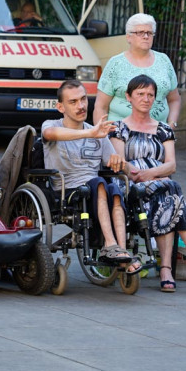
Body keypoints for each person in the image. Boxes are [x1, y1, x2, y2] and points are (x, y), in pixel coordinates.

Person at [110, 74, 186, 292]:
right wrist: (142, 174)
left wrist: (151, 173)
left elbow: (171, 165)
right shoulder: (119, 127)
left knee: (167, 197)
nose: (146, 98)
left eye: (150, 94)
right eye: (140, 94)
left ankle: (168, 269)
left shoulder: (163, 129)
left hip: (157, 184)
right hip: (131, 185)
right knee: (172, 189)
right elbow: (121, 163)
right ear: (128, 97)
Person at [41, 79, 140, 273]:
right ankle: (109, 245)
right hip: (66, 191)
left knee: (114, 188)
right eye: (73, 102)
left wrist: (121, 163)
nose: (81, 105)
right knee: (100, 183)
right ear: (60, 106)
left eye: (84, 99)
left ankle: (121, 251)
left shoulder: (97, 133)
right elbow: (51, 134)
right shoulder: (53, 124)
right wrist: (90, 133)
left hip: (95, 188)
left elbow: (127, 169)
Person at [94, 13, 181, 126]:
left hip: (158, 134)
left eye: (149, 33)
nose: (146, 36)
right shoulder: (115, 63)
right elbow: (101, 106)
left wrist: (171, 125)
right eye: (140, 32)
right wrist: (103, 137)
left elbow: (174, 99)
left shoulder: (164, 60)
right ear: (128, 37)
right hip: (119, 135)